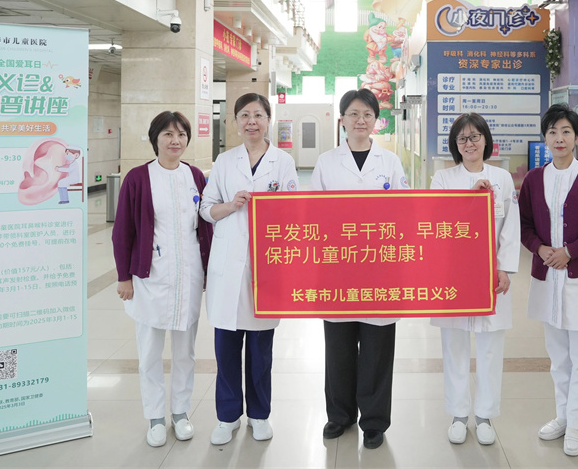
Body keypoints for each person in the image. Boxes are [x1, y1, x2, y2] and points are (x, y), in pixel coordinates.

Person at [310, 89, 408, 450]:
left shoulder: (390, 162)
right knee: (338, 346)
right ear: (342, 120)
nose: (360, 120)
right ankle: (339, 415)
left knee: (377, 348)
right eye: (353, 114)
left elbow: (404, 212)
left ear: (376, 120)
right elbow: (312, 215)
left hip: (380, 267)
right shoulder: (326, 162)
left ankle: (375, 422)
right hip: (337, 267)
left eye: (367, 114)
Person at [200, 93, 298, 446]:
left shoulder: (283, 162)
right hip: (228, 265)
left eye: (258, 115)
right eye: (244, 115)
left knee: (260, 351)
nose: (251, 121)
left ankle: (259, 414)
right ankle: (227, 417)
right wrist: (231, 205)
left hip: (266, 265)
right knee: (226, 350)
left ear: (269, 119)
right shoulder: (225, 162)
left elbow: (294, 211)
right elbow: (206, 209)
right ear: (236, 121)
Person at [518, 104, 578, 457]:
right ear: (544, 137)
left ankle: (577, 424)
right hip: (548, 278)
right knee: (558, 356)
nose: (559, 138)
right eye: (552, 132)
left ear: (576, 136)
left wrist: (570, 252)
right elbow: (524, 225)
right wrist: (540, 248)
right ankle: (563, 416)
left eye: (565, 132)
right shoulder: (534, 179)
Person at [112, 112, 213, 447]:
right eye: (168, 134)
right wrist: (124, 276)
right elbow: (123, 231)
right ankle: (155, 417)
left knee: (185, 353)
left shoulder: (194, 176)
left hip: (188, 277)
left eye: (181, 134)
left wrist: (208, 270)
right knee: (150, 353)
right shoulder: (138, 178)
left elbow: (205, 227)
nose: (175, 141)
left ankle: (180, 413)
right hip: (149, 277)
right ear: (155, 138)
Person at [430, 113, 519, 446]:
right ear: (455, 145)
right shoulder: (442, 178)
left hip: (490, 276)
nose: (469, 144)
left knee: (490, 347)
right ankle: (458, 414)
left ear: (485, 140)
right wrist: (472, 196)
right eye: (462, 139)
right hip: (453, 275)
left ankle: (484, 416)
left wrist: (504, 268)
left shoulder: (502, 178)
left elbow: (511, 228)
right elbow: (437, 223)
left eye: (474, 137)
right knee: (454, 346)